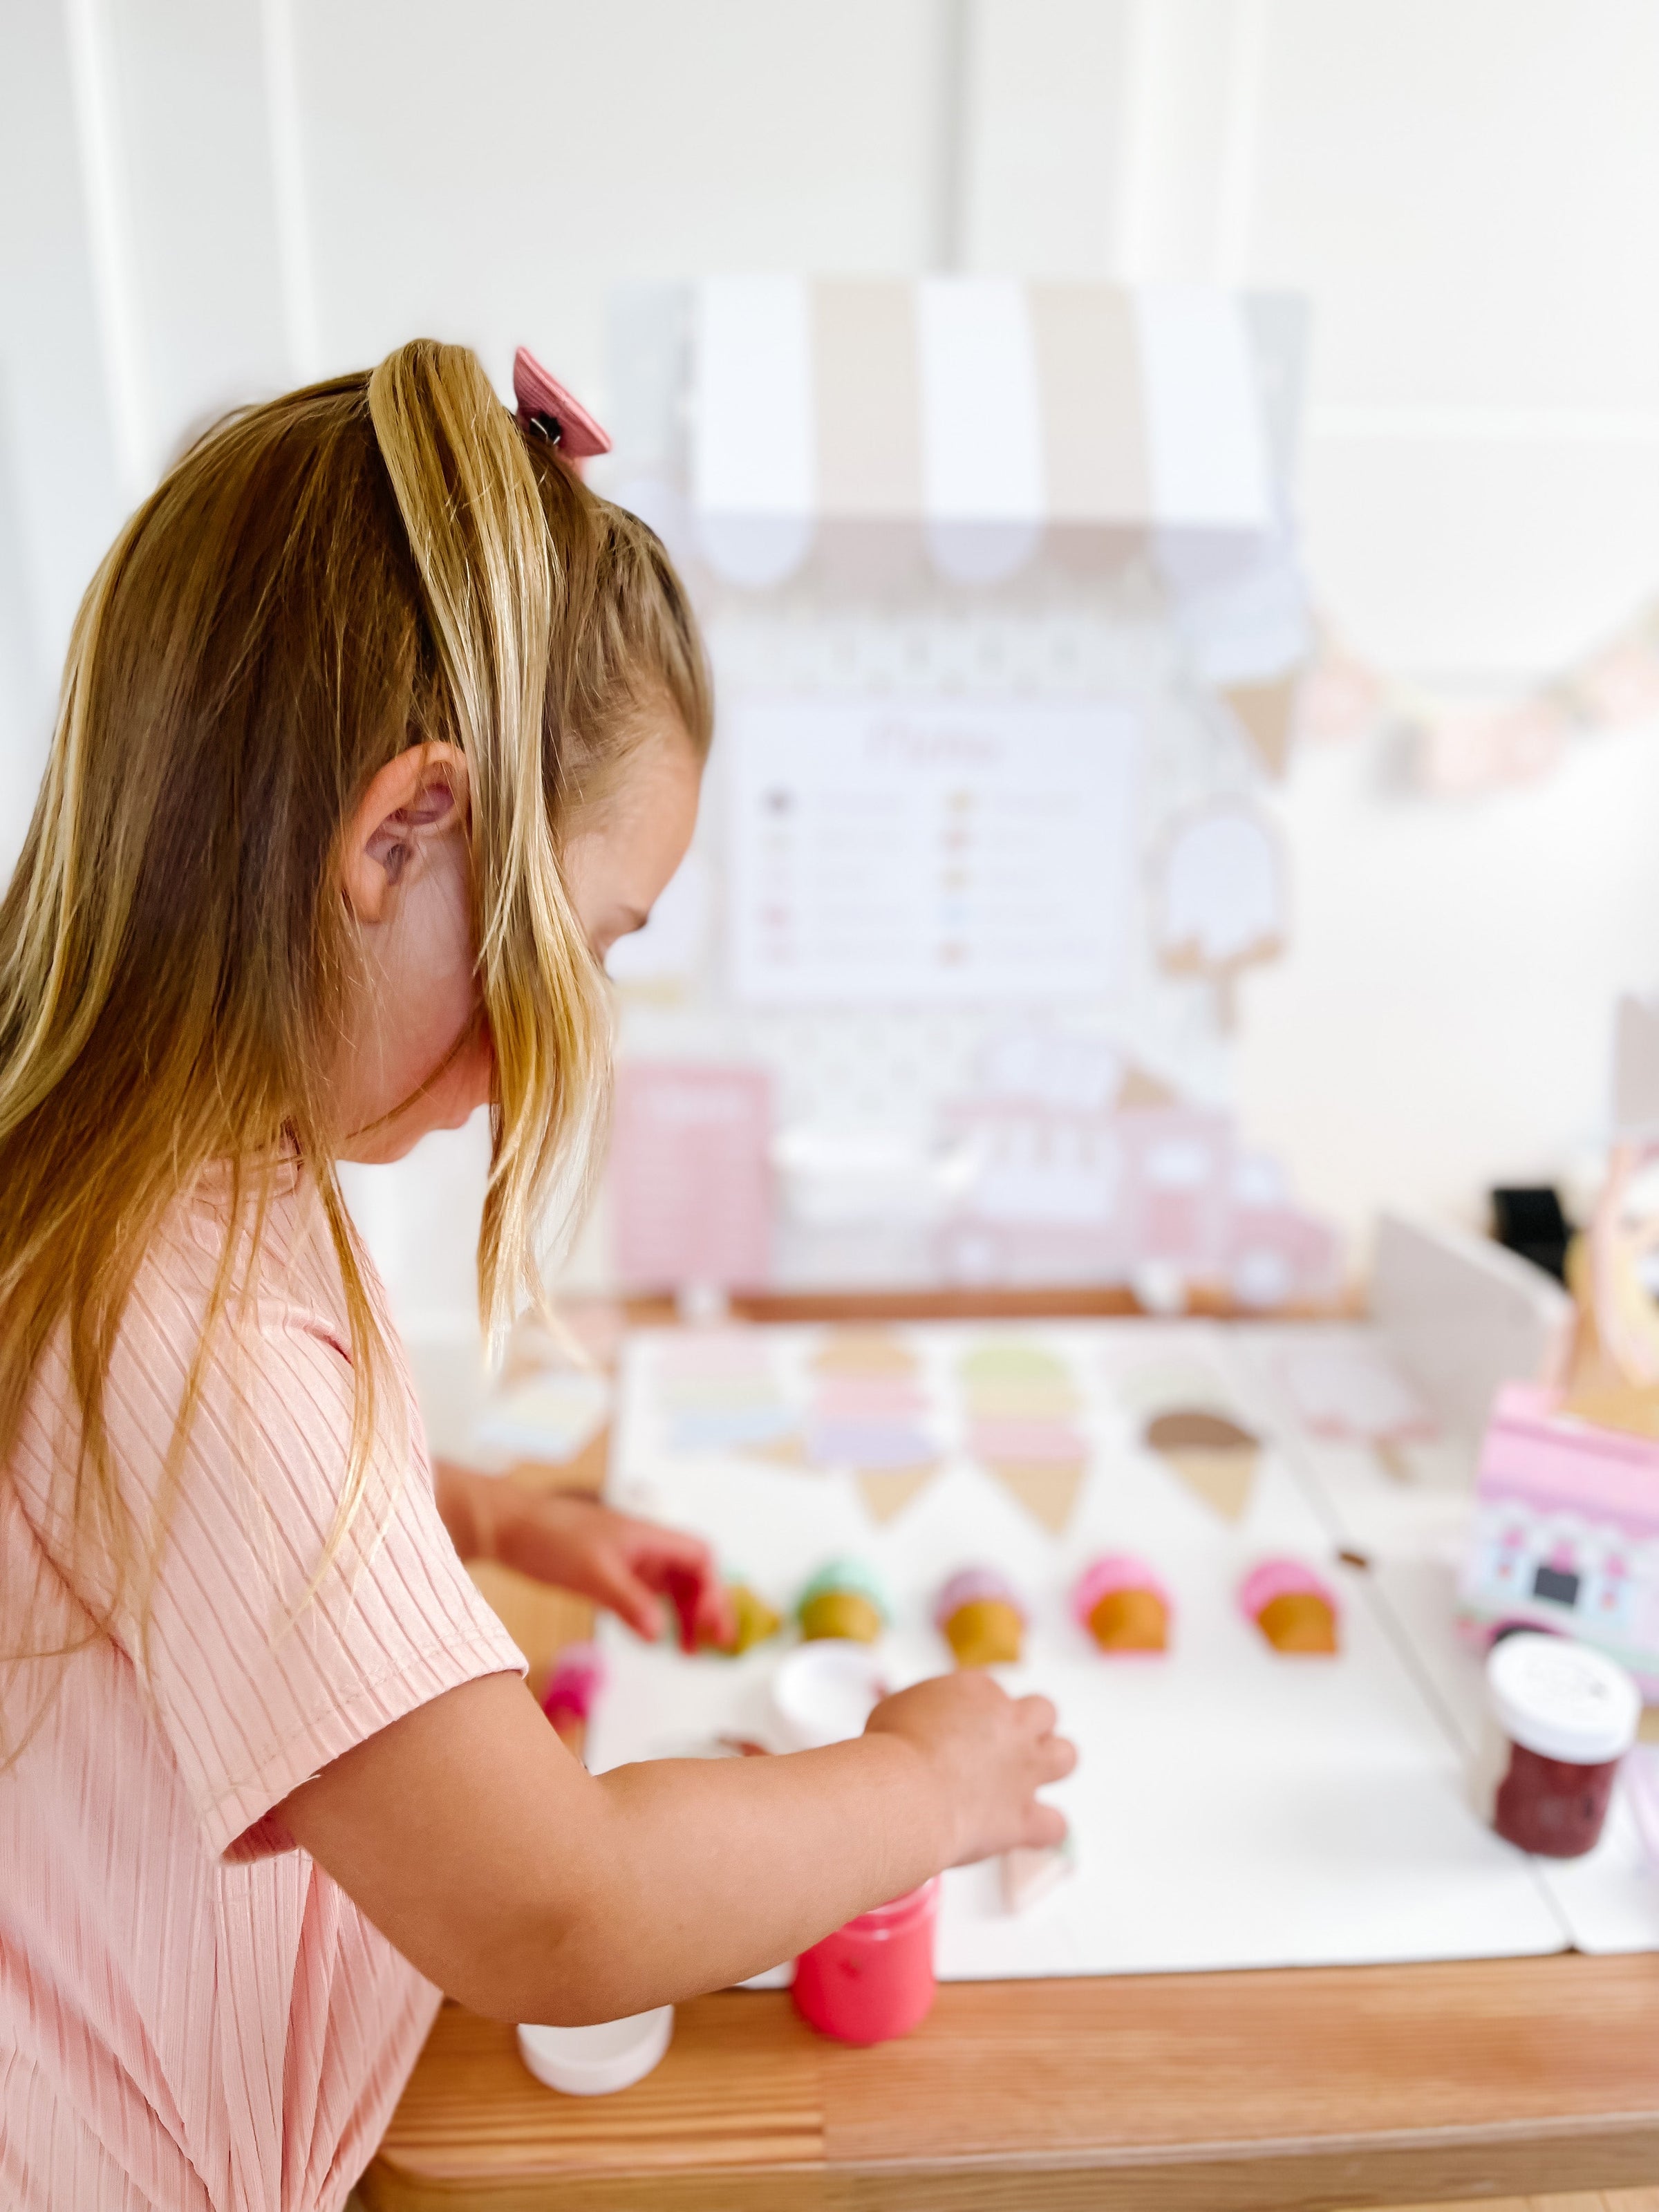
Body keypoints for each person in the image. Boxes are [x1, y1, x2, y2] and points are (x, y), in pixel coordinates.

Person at [0, 339, 1075, 2212]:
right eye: (584, 944)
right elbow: (558, 1912)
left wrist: (479, 1517)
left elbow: (186, 1540)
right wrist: (930, 1784)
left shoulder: (148, 1168)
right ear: (403, 833)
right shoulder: (190, 1332)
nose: (564, 1028)